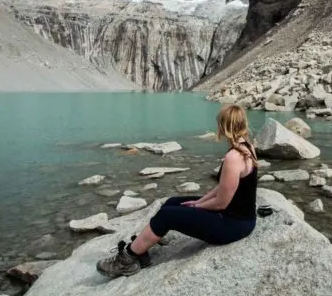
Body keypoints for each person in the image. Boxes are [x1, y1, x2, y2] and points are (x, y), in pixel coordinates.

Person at [96, 104, 258, 278]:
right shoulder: (247, 147)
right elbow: (223, 187)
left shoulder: (233, 157)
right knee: (172, 202)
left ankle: (127, 259)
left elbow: (221, 203)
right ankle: (143, 247)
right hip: (237, 217)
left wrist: (197, 208)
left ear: (224, 126)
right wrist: (199, 202)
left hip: (233, 225)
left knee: (168, 216)